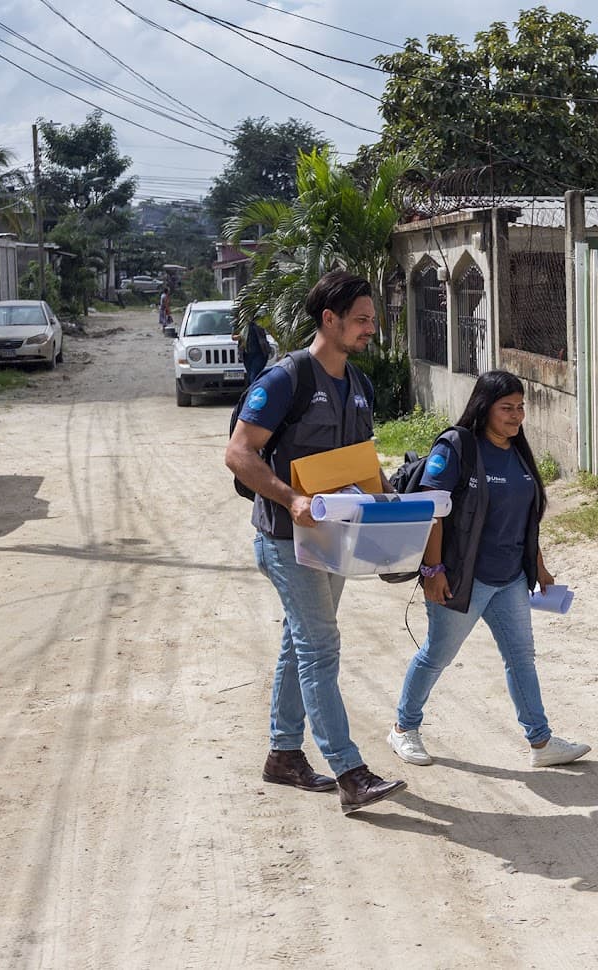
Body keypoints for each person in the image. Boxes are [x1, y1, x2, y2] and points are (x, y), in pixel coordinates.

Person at [225, 269, 406, 815]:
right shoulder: (286, 380)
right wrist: (288, 498)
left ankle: (283, 755)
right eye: (360, 320)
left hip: (334, 541)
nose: (369, 330)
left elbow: (356, 464)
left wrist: (389, 497)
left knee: (300, 643)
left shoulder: (358, 385)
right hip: (287, 540)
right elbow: (239, 453)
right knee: (320, 647)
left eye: (372, 321)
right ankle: (349, 771)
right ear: (329, 320)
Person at [389, 370, 591, 769]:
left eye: (520, 408)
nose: (516, 416)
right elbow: (434, 510)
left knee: (521, 657)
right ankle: (403, 728)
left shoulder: (518, 452)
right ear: (484, 408)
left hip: (510, 579)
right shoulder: (458, 446)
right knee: (437, 655)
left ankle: (541, 742)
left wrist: (540, 567)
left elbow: (523, 517)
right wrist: (433, 571)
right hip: (464, 578)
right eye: (506, 408)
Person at [240, 319, 271, 386]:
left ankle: (254, 393)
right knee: (250, 375)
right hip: (247, 355)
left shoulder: (259, 321)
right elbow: (233, 337)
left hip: (260, 354)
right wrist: (242, 335)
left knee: (254, 375)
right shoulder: (240, 322)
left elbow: (268, 330)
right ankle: (254, 392)